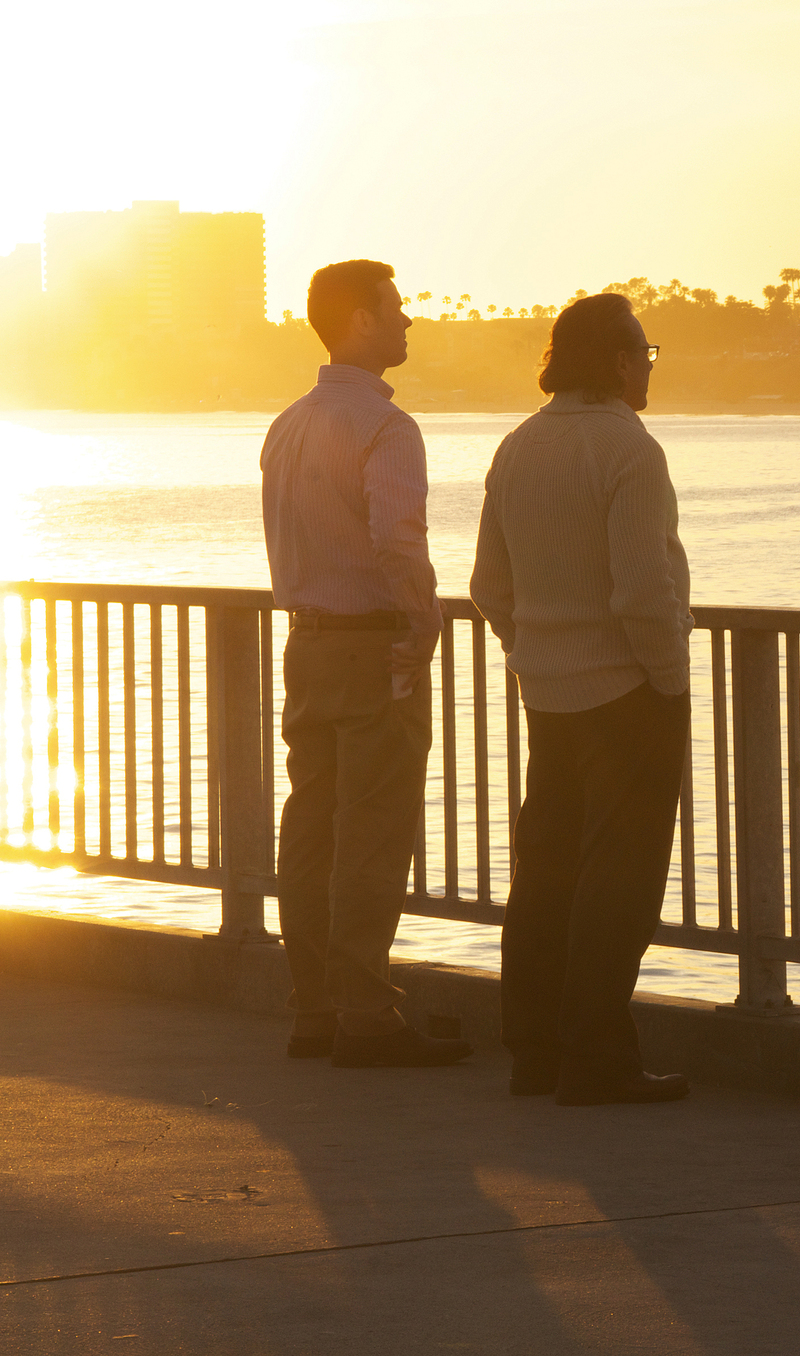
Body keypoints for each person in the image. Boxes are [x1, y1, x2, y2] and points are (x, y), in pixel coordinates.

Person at [471, 293, 692, 1106]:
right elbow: (643, 588)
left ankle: (534, 1051)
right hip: (628, 691)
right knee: (619, 879)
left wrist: (534, 651)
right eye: (645, 354)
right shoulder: (630, 452)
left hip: (548, 692)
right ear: (620, 360)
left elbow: (488, 585)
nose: (649, 369)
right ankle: (598, 1057)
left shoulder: (519, 447)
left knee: (548, 871)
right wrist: (666, 681)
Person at [261, 259, 472, 1069]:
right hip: (370, 644)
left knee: (311, 828)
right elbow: (396, 538)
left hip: (306, 645)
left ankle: (313, 1006)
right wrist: (422, 624)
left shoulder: (288, 424)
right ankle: (366, 1015)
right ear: (358, 320)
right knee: (375, 834)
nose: (408, 322)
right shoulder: (387, 428)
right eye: (395, 309)